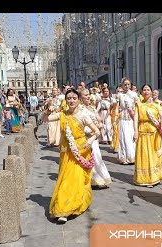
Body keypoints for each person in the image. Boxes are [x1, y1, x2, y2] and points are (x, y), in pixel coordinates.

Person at [42, 88, 101, 223]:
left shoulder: (83, 115)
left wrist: (90, 140)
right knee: (66, 179)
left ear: (79, 99)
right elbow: (46, 119)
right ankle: (64, 208)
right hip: (66, 151)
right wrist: (46, 109)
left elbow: (97, 132)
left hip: (81, 150)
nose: (72, 100)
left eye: (74, 98)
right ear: (66, 100)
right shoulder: (62, 115)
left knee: (76, 179)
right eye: (69, 98)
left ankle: (72, 206)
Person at [133, 84, 162, 187]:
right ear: (141, 92)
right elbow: (136, 118)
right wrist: (135, 132)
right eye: (144, 90)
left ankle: (154, 177)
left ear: (151, 92)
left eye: (148, 90)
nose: (146, 92)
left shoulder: (157, 104)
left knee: (154, 155)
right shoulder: (138, 104)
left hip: (154, 134)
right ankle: (143, 178)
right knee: (144, 155)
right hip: (142, 133)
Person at [79, 88, 111, 189]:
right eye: (85, 95)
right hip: (86, 136)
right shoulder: (79, 109)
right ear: (80, 98)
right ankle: (92, 179)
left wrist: (99, 125)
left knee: (97, 157)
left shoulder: (92, 108)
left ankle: (100, 177)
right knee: (89, 157)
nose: (88, 97)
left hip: (94, 135)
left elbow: (99, 119)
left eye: (88, 94)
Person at [117, 77, 138, 164]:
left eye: (128, 84)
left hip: (131, 118)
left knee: (131, 137)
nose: (126, 86)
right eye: (125, 84)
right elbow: (118, 107)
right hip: (123, 118)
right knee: (123, 137)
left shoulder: (133, 94)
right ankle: (124, 157)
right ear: (122, 85)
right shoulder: (120, 95)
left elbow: (138, 106)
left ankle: (132, 157)